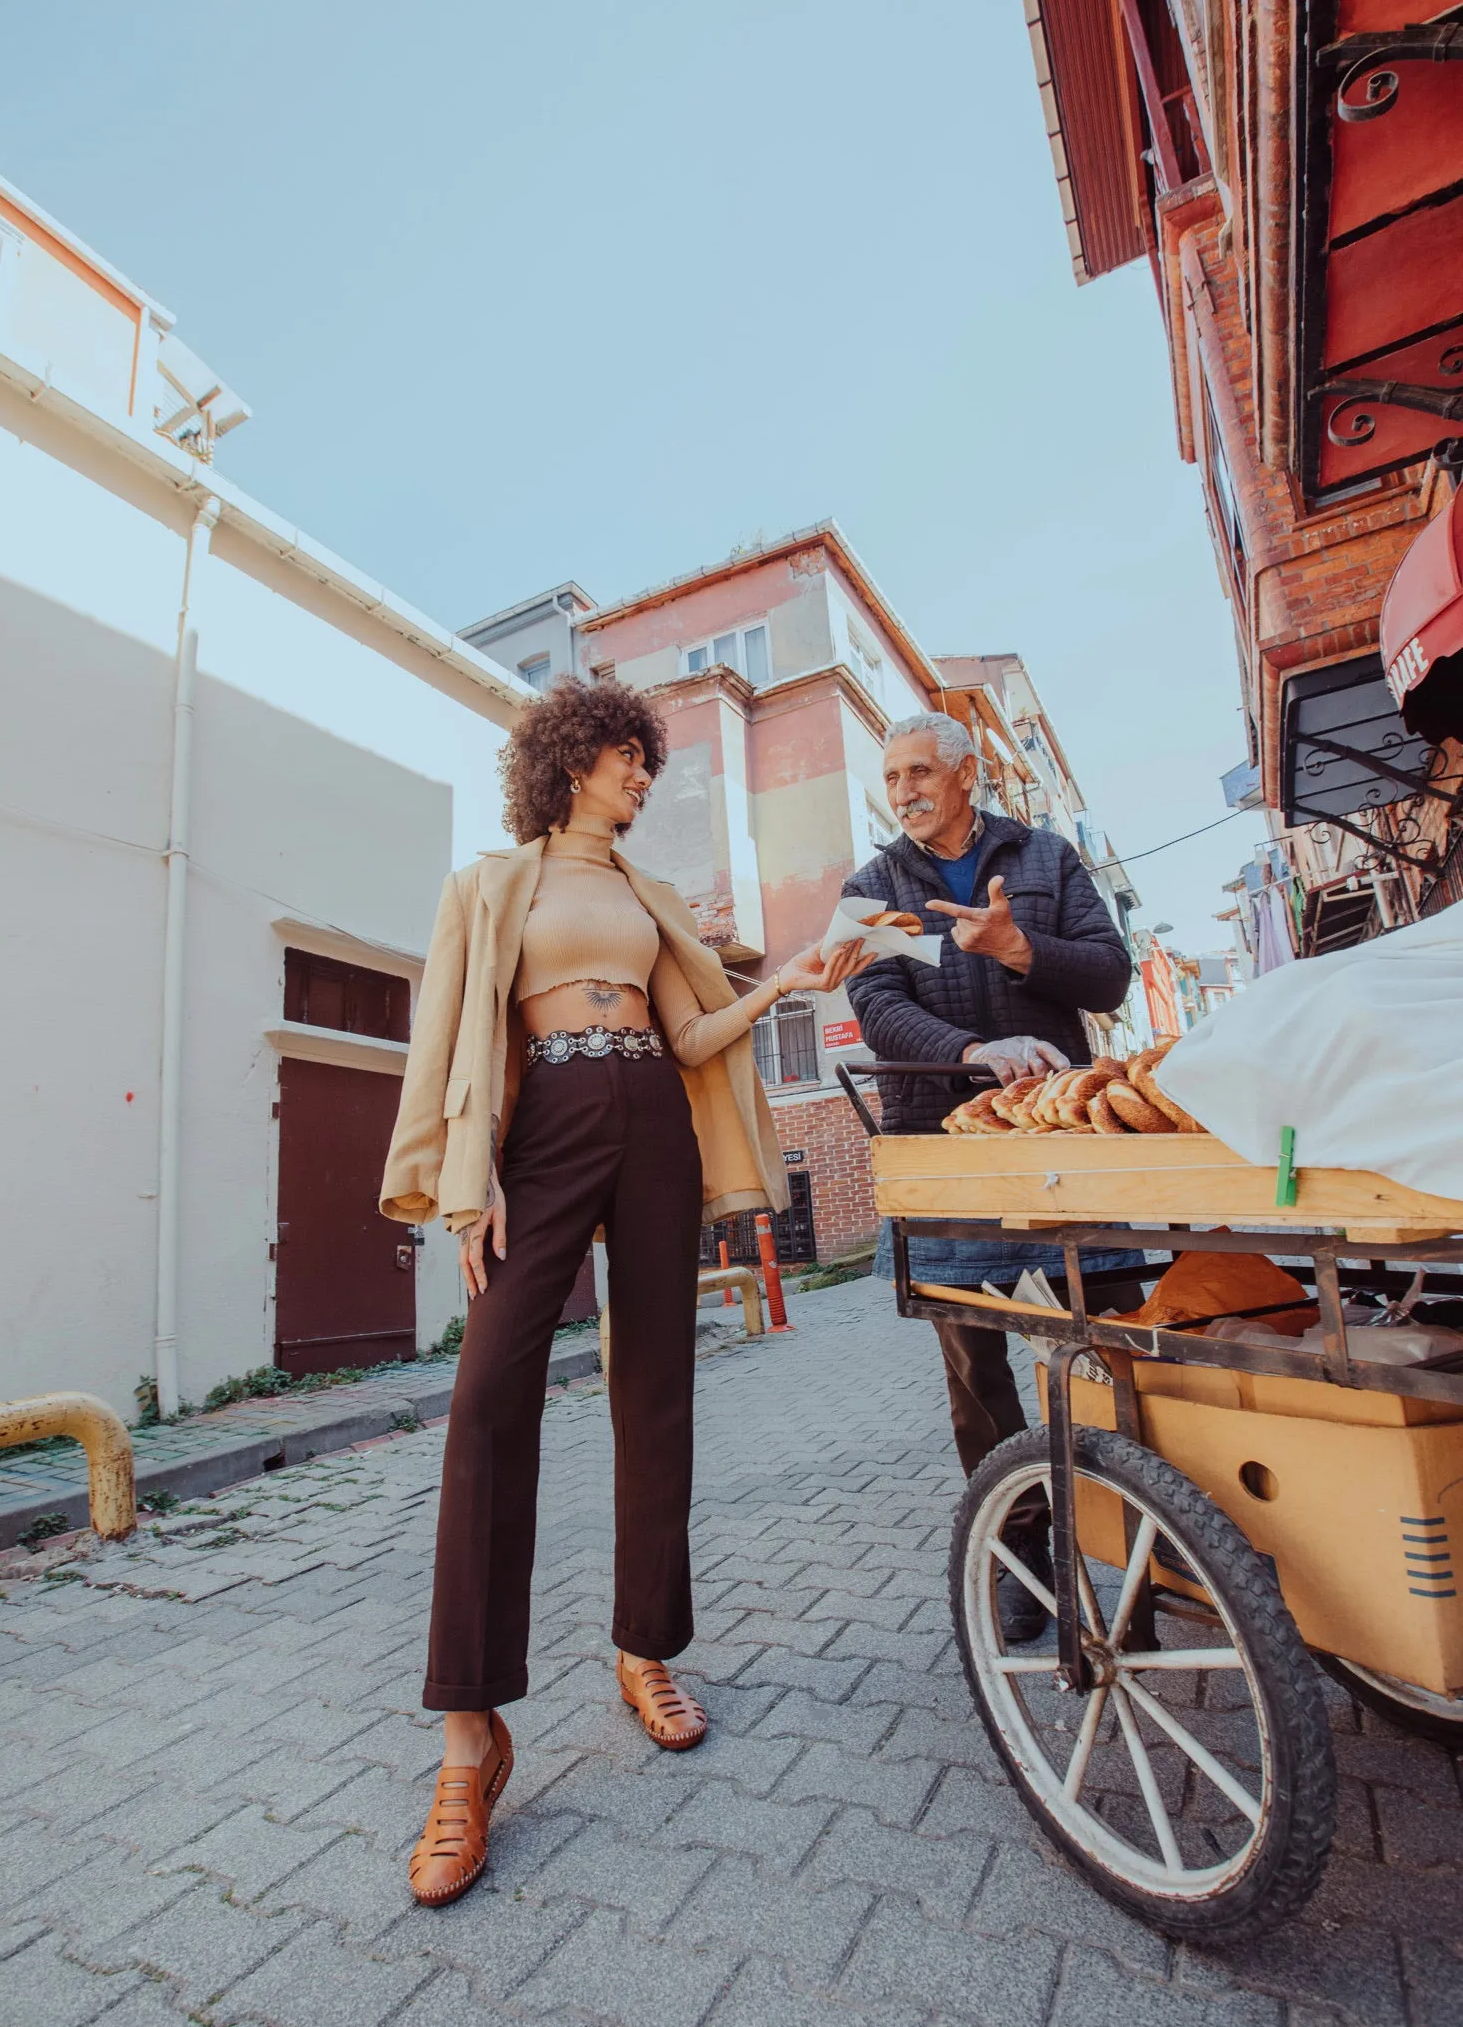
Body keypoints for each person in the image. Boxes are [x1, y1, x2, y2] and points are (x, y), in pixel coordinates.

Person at [381, 677, 869, 1906]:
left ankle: (644, 1649)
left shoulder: (652, 901)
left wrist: (784, 985)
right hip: (539, 1125)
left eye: (644, 758)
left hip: (653, 1118)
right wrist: (463, 1179)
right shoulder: (495, 886)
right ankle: (468, 1738)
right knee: (490, 1403)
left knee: (655, 1396)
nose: (640, 773)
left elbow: (693, 1035)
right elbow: (450, 1035)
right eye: (622, 755)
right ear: (570, 760)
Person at [843, 711, 1146, 1639]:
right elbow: (877, 1007)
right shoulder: (873, 888)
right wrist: (978, 1049)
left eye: (920, 772)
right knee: (977, 1369)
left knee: (1106, 1341)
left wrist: (1019, 949)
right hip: (942, 1151)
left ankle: (1136, 1534)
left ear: (968, 773)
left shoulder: (1048, 859)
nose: (903, 792)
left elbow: (1110, 978)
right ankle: (1023, 1552)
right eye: (892, 777)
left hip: (1062, 1143)